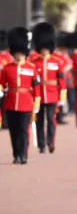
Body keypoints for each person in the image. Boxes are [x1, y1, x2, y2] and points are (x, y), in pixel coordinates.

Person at [0, 28, 38, 164]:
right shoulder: (7, 68)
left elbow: (36, 87)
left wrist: (37, 103)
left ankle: (23, 154)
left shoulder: (31, 68)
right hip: (10, 102)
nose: (19, 55)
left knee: (23, 130)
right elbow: (1, 83)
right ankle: (16, 154)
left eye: (21, 53)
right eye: (17, 53)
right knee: (13, 131)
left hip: (26, 103)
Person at [31, 22, 65, 154]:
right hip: (39, 95)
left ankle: (50, 141)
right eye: (42, 47)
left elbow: (61, 80)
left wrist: (62, 96)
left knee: (51, 119)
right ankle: (41, 145)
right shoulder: (34, 62)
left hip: (52, 94)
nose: (44, 49)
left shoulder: (56, 62)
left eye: (46, 47)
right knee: (39, 121)